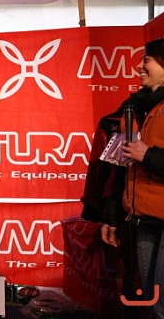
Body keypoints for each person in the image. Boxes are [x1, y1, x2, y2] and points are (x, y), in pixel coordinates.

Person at [100, 38, 164, 319]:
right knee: (150, 302)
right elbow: (123, 167)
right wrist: (113, 216)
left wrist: (148, 155)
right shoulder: (135, 108)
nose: (138, 66)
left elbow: (141, 156)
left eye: (146, 59)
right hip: (143, 218)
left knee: (160, 306)